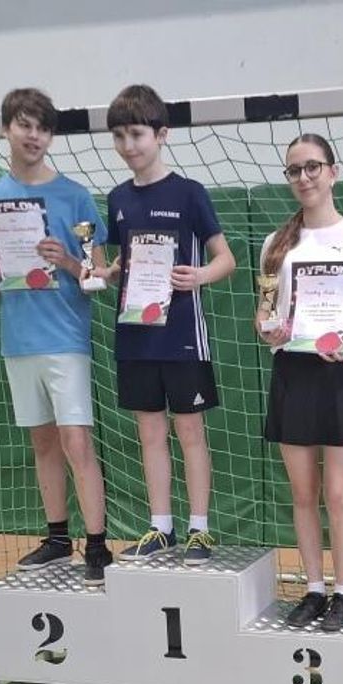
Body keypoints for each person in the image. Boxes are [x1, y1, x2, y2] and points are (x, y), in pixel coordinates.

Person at [0, 88, 113, 585]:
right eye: (25, 125)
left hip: (66, 336)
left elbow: (97, 277)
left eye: (43, 128)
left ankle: (97, 544)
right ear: (6, 129)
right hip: (18, 339)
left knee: (76, 440)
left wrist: (67, 261)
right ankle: (57, 539)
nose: (34, 136)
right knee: (43, 442)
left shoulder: (75, 196)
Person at [256, 133, 343, 632]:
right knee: (302, 493)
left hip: (341, 373)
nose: (304, 177)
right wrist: (269, 329)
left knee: (338, 494)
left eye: (312, 166)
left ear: (333, 172)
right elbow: (263, 315)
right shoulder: (276, 243)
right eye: (294, 170)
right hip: (293, 373)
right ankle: (313, 589)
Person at [99, 84, 235, 564]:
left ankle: (200, 528)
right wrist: (108, 270)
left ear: (161, 134)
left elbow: (226, 259)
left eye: (136, 134)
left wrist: (199, 276)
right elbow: (122, 261)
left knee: (190, 432)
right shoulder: (117, 199)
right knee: (150, 433)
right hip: (135, 336)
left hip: (181, 337)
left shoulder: (189, 193)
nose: (128, 145)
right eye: (119, 136)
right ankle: (161, 526)